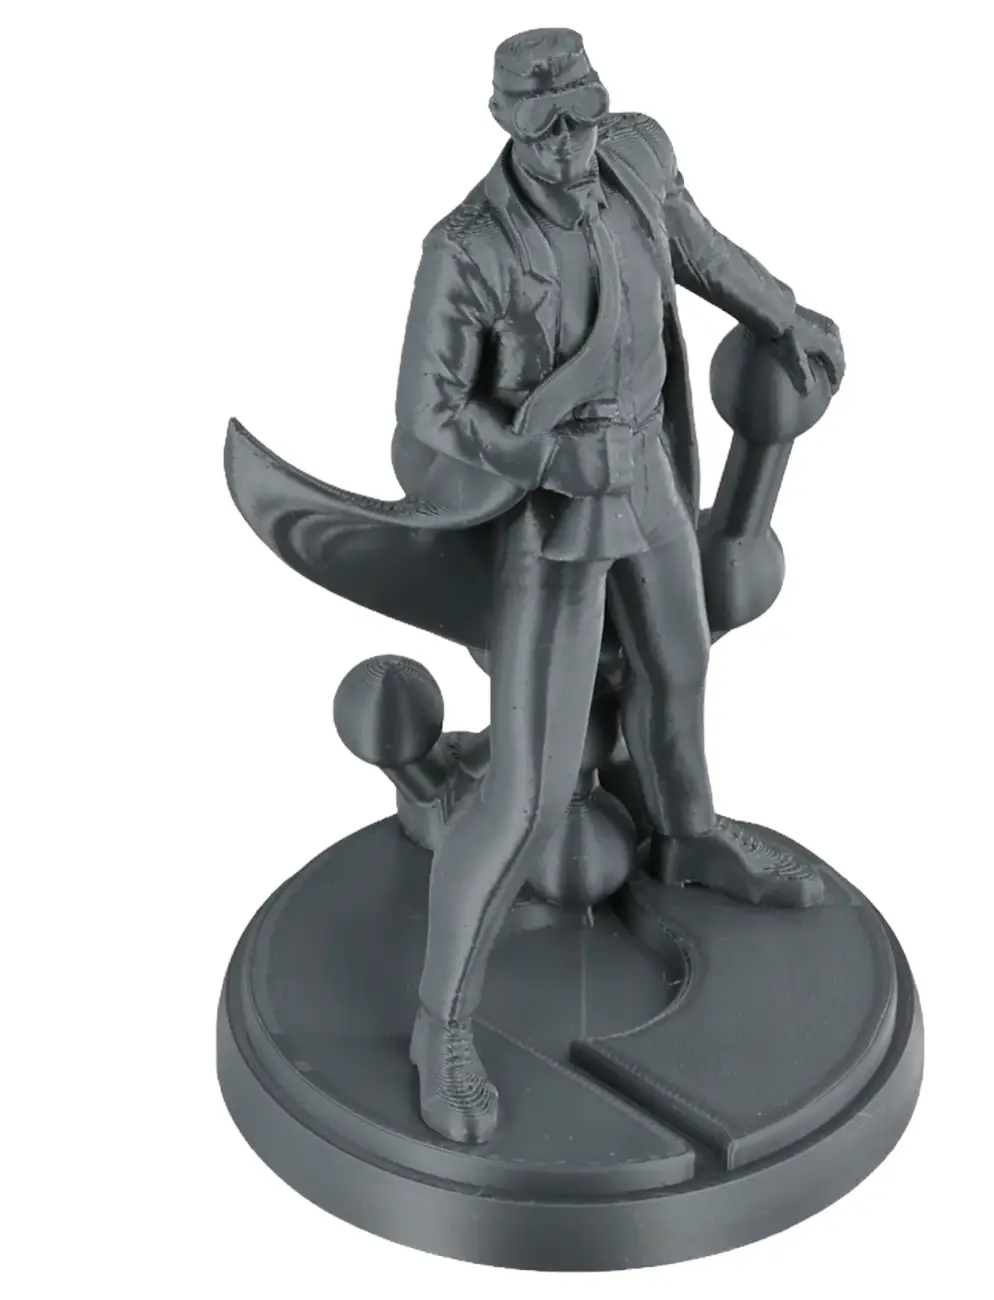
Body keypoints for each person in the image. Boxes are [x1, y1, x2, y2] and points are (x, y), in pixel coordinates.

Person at [395, 27, 847, 1143]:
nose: (569, 145)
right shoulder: (467, 248)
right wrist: (548, 458)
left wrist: (783, 312)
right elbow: (428, 411)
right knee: (532, 791)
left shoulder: (637, 156)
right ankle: (439, 1025)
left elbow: (698, 249)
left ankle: (687, 835)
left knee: (678, 668)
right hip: (552, 517)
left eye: (582, 116)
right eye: (545, 127)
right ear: (504, 122)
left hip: (645, 468)